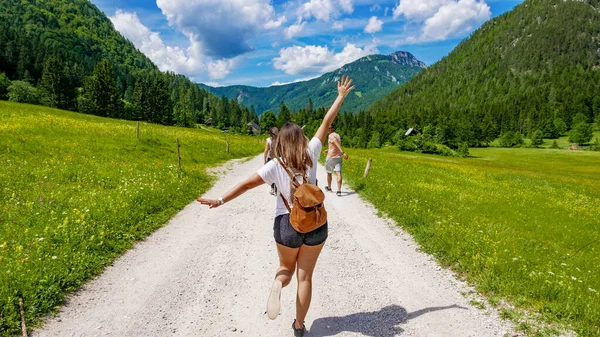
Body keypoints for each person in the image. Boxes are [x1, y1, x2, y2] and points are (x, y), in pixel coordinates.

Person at [197, 76, 355, 337]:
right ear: (302, 139)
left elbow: (246, 185)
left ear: (280, 142)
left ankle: (278, 285)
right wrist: (340, 96)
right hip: (316, 223)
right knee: (305, 277)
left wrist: (220, 200)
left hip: (286, 225)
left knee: (286, 269)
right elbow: (327, 121)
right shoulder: (313, 152)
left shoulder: (275, 165)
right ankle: (300, 326)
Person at [324, 125, 348, 196]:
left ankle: (329, 187)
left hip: (331, 157)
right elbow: (335, 146)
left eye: (328, 128)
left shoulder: (330, 136)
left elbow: (336, 144)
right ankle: (339, 190)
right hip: (338, 157)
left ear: (331, 129)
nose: (328, 130)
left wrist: (343, 152)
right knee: (338, 173)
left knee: (329, 173)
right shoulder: (337, 135)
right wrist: (328, 150)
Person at [264, 127, 279, 195]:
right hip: (278, 159)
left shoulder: (268, 140)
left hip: (270, 159)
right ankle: (276, 190)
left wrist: (264, 160)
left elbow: (266, 151)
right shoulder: (279, 140)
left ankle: (272, 189)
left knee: (271, 175)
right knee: (277, 175)